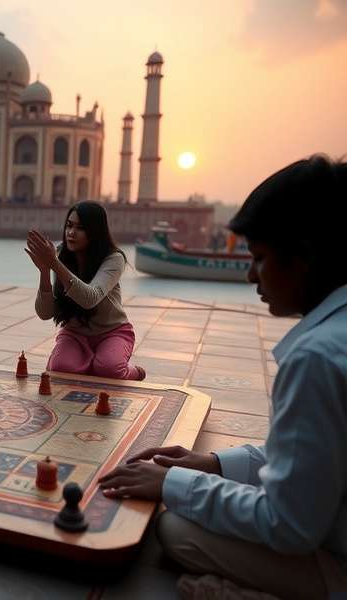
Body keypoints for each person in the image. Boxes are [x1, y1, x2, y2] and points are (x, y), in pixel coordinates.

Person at [99, 156, 347, 599]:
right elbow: (310, 455)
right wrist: (215, 465)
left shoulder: (316, 357)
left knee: (176, 529)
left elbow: (289, 524)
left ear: (305, 257)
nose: (250, 274)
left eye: (260, 258)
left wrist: (173, 483)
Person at [25, 201, 145, 380]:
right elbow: (45, 313)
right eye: (69, 225)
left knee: (109, 370)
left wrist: (55, 264)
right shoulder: (60, 254)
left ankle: (135, 372)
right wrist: (44, 270)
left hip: (112, 332)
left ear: (95, 232)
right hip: (75, 333)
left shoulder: (113, 258)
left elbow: (90, 298)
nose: (71, 233)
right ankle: (88, 363)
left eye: (80, 228)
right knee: (60, 368)